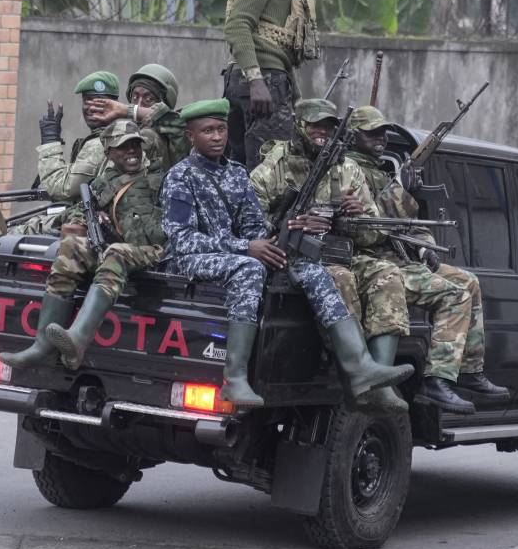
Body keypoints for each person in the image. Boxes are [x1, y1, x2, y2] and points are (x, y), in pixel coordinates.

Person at [162, 99, 412, 408]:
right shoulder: (180, 176)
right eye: (207, 131)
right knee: (250, 269)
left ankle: (359, 365)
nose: (216, 137)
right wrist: (246, 247)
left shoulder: (237, 174)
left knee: (309, 265)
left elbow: (254, 225)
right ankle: (235, 377)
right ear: (191, 136)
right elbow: (181, 239)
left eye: (221, 129)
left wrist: (275, 242)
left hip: (236, 254)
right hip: (190, 259)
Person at [248, 98, 412, 412]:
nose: (322, 132)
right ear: (300, 126)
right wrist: (288, 223)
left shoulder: (347, 169)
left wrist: (357, 214)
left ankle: (380, 382)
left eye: (328, 126)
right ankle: (354, 372)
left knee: (386, 274)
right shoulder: (276, 164)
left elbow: (374, 232)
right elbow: (247, 218)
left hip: (341, 250)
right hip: (296, 255)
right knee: (341, 279)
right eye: (315, 125)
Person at [346, 105, 510, 412]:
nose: (380, 138)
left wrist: (425, 248)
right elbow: (369, 224)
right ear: (353, 136)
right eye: (371, 133)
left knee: (468, 281)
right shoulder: (347, 170)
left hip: (398, 257)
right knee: (455, 295)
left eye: (383, 132)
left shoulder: (380, 171)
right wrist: (401, 190)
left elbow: (410, 225)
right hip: (369, 260)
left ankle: (470, 371)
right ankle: (437, 381)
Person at [0, 120, 166, 371]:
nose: (132, 151)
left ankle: (78, 338)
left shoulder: (158, 176)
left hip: (151, 249)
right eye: (123, 147)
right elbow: (74, 213)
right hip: (117, 247)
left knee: (116, 253)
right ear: (108, 152)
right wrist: (88, 220)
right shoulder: (103, 183)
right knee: (72, 248)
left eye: (135, 145)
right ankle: (42, 346)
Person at [222, 0, 320, 169]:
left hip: (267, 77)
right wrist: (256, 80)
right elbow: (237, 24)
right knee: (271, 169)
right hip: (259, 78)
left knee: (244, 169)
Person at [36, 70, 120, 202]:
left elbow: (61, 189)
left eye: (100, 102)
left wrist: (50, 142)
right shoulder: (112, 135)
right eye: (87, 100)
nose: (91, 108)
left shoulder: (100, 144)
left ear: (116, 106)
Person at [91, 64, 188, 173]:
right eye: (135, 97)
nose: (139, 104)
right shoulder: (124, 132)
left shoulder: (167, 135)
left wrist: (130, 111)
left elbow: (177, 123)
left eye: (149, 99)